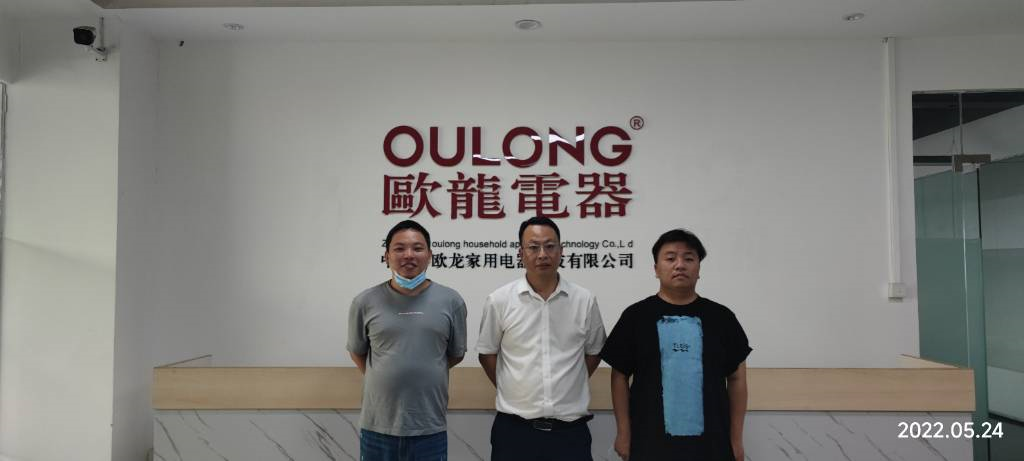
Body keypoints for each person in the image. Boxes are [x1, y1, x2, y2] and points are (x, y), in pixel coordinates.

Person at [601, 229, 751, 461]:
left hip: (712, 446)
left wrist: (736, 439)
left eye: (688, 258)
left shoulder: (722, 317)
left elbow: (737, 378)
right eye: (670, 258)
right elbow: (619, 376)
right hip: (650, 444)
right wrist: (623, 432)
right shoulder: (636, 316)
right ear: (656, 269)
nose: (680, 265)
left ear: (698, 268)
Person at [477, 216, 607, 461]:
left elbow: (594, 352)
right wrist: (513, 386)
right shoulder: (500, 300)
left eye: (550, 246)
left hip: (570, 433)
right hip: (514, 431)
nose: (542, 254)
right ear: (521, 253)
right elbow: (487, 354)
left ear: (561, 251)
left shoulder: (584, 300)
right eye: (533, 247)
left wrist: (568, 382)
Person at [347, 220, 468, 461]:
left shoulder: (451, 301)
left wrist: (422, 367)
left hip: (429, 427)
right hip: (377, 426)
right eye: (400, 248)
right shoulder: (364, 302)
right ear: (387, 256)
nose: (409, 255)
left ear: (430, 255)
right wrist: (385, 372)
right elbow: (358, 352)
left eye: (417, 248)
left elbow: (455, 354)